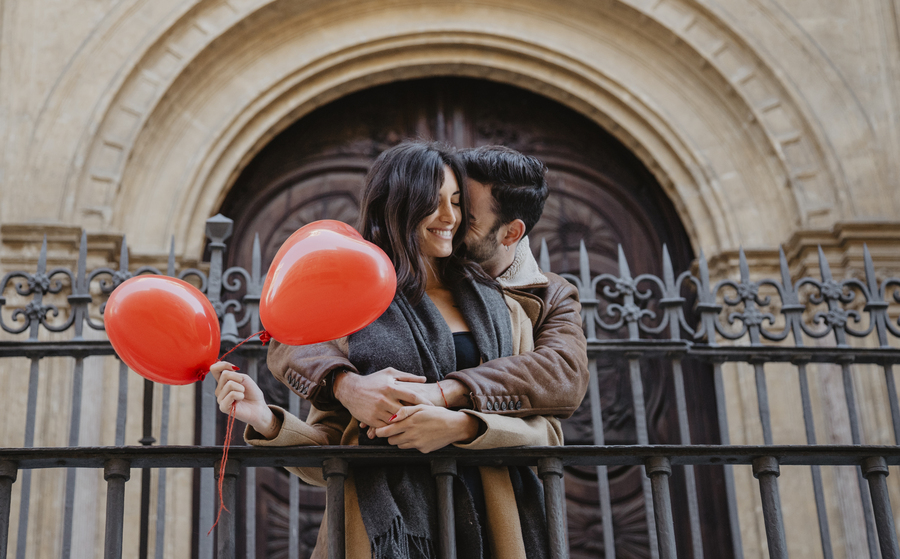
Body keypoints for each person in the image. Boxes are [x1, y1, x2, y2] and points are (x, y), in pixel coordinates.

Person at [213, 141, 561, 559]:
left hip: (496, 527)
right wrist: (268, 420)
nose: (449, 217)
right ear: (396, 206)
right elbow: (331, 454)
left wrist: (463, 427)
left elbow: (547, 433)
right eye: (432, 203)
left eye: (455, 202)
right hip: (379, 538)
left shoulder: (505, 310)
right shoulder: (353, 313)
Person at [268, 145, 589, 431]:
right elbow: (293, 334)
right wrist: (346, 385)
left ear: (510, 234)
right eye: (437, 201)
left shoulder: (550, 295)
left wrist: (448, 398)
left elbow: (563, 374)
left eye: (463, 209)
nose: (452, 221)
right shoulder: (384, 280)